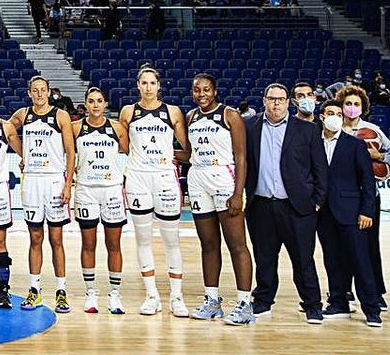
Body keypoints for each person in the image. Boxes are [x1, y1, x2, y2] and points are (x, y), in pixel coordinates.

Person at [244, 83, 327, 323]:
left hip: (297, 207)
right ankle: (262, 301)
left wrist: (318, 200)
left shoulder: (307, 130)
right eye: (272, 99)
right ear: (264, 100)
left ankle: (312, 304)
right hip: (261, 205)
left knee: (303, 259)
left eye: (281, 99)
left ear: (289, 102)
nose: (276, 103)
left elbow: (319, 167)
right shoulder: (250, 127)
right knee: (265, 257)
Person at [182, 75, 255, 325]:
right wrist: (162, 155)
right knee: (208, 244)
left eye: (206, 89)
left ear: (214, 91)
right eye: (196, 90)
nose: (201, 93)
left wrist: (237, 192)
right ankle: (212, 300)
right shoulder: (190, 117)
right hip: (198, 179)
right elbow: (189, 154)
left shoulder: (230, 115)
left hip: (224, 178)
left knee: (237, 244)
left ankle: (245, 303)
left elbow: (241, 157)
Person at [118, 67, 189, 317]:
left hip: (164, 179)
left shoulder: (172, 112)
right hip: (137, 179)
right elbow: (125, 147)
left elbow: (186, 148)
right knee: (143, 239)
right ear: (138, 85)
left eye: (152, 83)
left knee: (172, 240)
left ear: (159, 85)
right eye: (144, 83)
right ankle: (151, 295)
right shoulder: (128, 112)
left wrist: (172, 157)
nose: (148, 87)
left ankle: (177, 297)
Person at [11, 77, 76, 312]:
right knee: (35, 238)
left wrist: (68, 185)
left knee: (56, 239)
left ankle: (61, 291)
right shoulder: (23, 114)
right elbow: (5, 131)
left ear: (49, 92)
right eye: (35, 90)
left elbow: (70, 152)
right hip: (32, 181)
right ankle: (34, 290)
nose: (39, 94)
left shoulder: (60, 116)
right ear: (29, 93)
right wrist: (23, 155)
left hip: (54, 180)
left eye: (43, 90)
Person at [316, 100, 382, 327]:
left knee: (360, 261)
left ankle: (371, 308)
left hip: (351, 212)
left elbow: (367, 180)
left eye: (337, 113)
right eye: (329, 113)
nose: (334, 116)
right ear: (322, 116)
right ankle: (337, 302)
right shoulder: (312, 143)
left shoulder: (355, 145)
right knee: (332, 260)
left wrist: (367, 211)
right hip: (323, 213)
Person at [71, 88, 128, 314]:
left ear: (105, 104)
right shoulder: (76, 128)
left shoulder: (116, 128)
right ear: (85, 104)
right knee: (88, 244)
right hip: (86, 190)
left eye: (100, 101)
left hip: (112, 190)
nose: (96, 105)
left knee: (114, 245)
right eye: (91, 101)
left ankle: (114, 295)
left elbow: (131, 152)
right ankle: (91, 293)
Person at [336, 85, 390, 311]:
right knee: (341, 247)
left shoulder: (373, 130)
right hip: (340, 196)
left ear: (363, 107)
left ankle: (375, 292)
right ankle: (344, 290)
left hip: (367, 196)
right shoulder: (332, 128)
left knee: (370, 246)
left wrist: (377, 155)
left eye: (356, 104)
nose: (352, 108)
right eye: (348, 104)